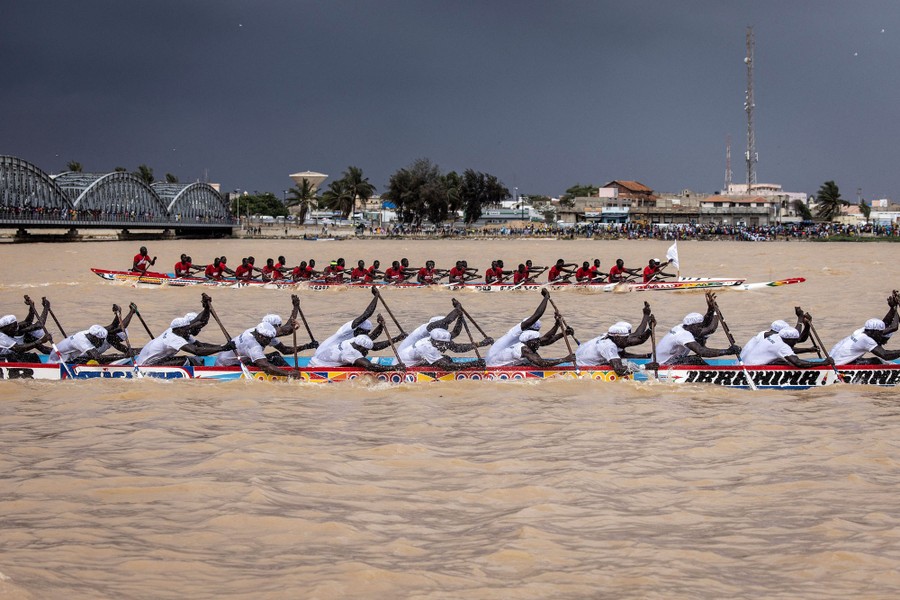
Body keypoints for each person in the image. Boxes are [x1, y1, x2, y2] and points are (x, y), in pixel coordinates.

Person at [576, 303, 657, 375]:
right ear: (617, 337)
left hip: (582, 360)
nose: (627, 341)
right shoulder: (608, 346)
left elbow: (637, 338)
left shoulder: (611, 337)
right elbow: (619, 371)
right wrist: (645, 367)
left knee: (623, 362)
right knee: (622, 364)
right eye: (625, 338)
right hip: (582, 368)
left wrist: (649, 328)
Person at [656, 304, 739, 366]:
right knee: (696, 359)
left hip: (668, 360)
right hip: (661, 365)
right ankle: (712, 374)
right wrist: (727, 352)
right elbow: (701, 351)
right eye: (699, 326)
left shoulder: (682, 326)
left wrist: (711, 310)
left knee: (700, 343)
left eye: (701, 326)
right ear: (691, 325)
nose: (701, 329)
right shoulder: (683, 335)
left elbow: (706, 324)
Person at [213, 322, 302, 377]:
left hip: (239, 358)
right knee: (271, 362)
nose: (269, 342)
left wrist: (295, 309)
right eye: (267, 339)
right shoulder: (253, 346)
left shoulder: (259, 331)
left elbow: (282, 331)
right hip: (225, 366)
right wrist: (288, 374)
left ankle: (290, 372)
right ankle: (292, 375)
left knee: (275, 356)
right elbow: (265, 366)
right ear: (260, 336)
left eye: (270, 339)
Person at [135, 317, 234, 367]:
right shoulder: (173, 338)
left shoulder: (175, 331)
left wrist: (222, 346)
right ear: (178, 329)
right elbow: (196, 350)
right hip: (147, 365)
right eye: (186, 329)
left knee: (196, 360)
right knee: (186, 360)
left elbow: (199, 345)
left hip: (153, 359)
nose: (188, 331)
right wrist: (223, 348)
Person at [741, 326, 832, 368]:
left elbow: (789, 351)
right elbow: (798, 363)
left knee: (785, 361)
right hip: (753, 369)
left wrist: (808, 350)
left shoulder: (775, 337)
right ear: (790, 340)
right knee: (793, 363)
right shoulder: (782, 346)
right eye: (796, 340)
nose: (796, 342)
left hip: (747, 363)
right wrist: (823, 363)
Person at [398, 328, 487, 370]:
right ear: (438, 342)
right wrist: (473, 364)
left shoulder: (432, 340)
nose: (447, 346)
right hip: (405, 367)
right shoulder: (428, 348)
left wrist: (481, 344)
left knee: (446, 358)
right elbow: (448, 367)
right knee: (446, 364)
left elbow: (458, 348)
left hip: (408, 359)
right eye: (446, 344)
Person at [308, 333, 400, 372]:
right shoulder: (352, 353)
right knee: (363, 365)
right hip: (316, 369)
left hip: (315, 361)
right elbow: (371, 367)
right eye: (366, 351)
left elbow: (374, 345)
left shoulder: (352, 341)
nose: (367, 353)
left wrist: (380, 325)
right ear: (361, 347)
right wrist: (395, 368)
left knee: (356, 364)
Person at [486, 329, 574, 368]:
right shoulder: (525, 349)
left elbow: (548, 339)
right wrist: (564, 360)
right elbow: (542, 363)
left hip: (493, 362)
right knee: (535, 363)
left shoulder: (527, 344)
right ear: (529, 341)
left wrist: (564, 333)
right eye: (537, 340)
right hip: (493, 368)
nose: (539, 342)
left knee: (530, 363)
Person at [829, 318, 900, 365]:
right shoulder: (866, 340)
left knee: (874, 360)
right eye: (880, 333)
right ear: (874, 332)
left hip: (834, 359)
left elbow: (885, 323)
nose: (881, 334)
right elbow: (885, 355)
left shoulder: (861, 331)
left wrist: (894, 307)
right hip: (838, 365)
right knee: (876, 361)